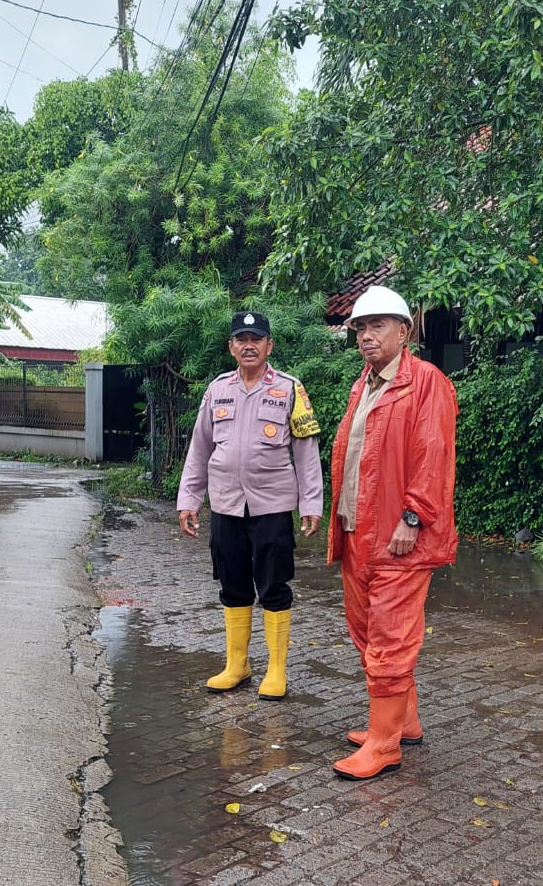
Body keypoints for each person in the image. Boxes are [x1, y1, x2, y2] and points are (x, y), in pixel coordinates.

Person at [328, 284, 458, 780]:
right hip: (358, 530)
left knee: (390, 636)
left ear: (404, 331)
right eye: (360, 327)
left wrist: (413, 517)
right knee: (366, 631)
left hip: (400, 535)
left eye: (377, 324)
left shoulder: (426, 382)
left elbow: (433, 454)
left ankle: (383, 745)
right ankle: (403, 722)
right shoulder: (364, 385)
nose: (366, 335)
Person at [177, 310, 323, 698]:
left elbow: (307, 452)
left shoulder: (291, 389)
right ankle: (237, 665)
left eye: (256, 339)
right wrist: (189, 499)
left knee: (274, 585)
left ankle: (276, 671)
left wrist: (311, 503)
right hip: (225, 504)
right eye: (241, 339)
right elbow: (199, 449)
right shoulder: (217, 390)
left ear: (269, 345)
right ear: (231, 347)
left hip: (272, 505)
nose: (249, 345)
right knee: (233, 583)